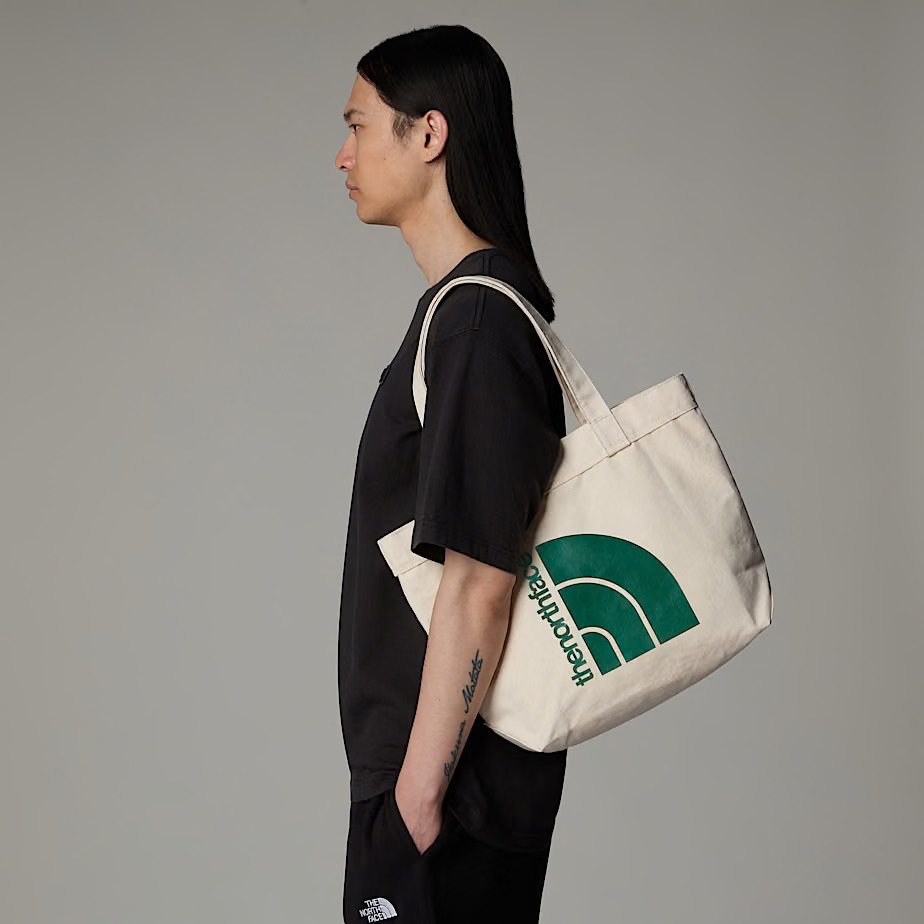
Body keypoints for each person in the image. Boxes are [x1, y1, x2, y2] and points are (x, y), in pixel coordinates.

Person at [334, 25, 568, 923]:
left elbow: (480, 581)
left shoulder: (476, 321)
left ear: (428, 134)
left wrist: (418, 799)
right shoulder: (460, 315)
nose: (343, 154)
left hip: (446, 798)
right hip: (440, 790)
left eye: (359, 125)